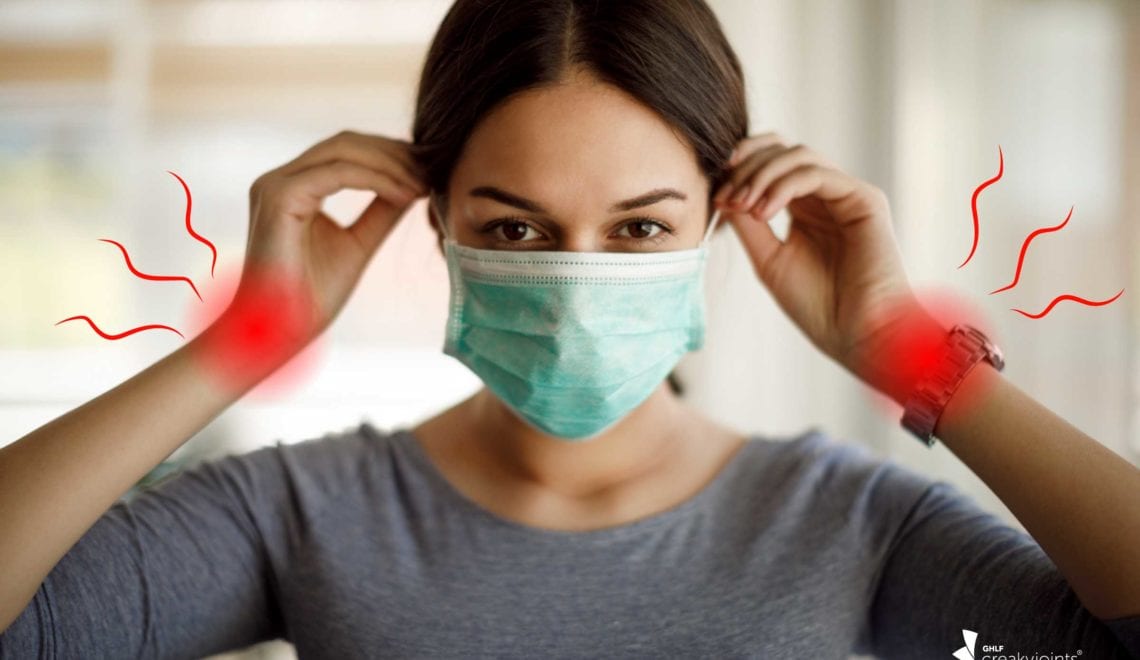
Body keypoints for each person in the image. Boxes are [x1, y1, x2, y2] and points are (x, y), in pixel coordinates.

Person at [1, 0, 1138, 657]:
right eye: (520, 229)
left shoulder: (853, 523)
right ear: (439, 222)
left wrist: (915, 354)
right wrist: (242, 342)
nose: (579, 278)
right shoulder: (301, 512)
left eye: (639, 230)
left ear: (718, 224)